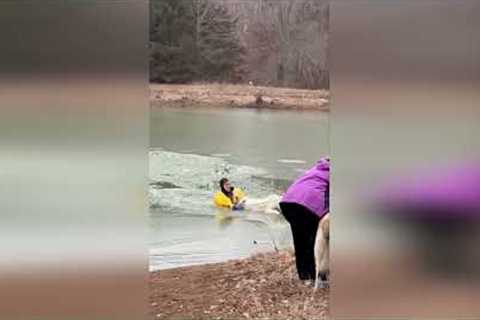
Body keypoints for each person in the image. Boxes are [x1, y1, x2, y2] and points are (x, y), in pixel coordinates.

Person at [279, 157, 330, 282]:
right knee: (313, 242)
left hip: (287, 203)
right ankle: (318, 277)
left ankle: (304, 277)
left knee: (300, 241)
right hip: (308, 206)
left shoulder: (314, 170)